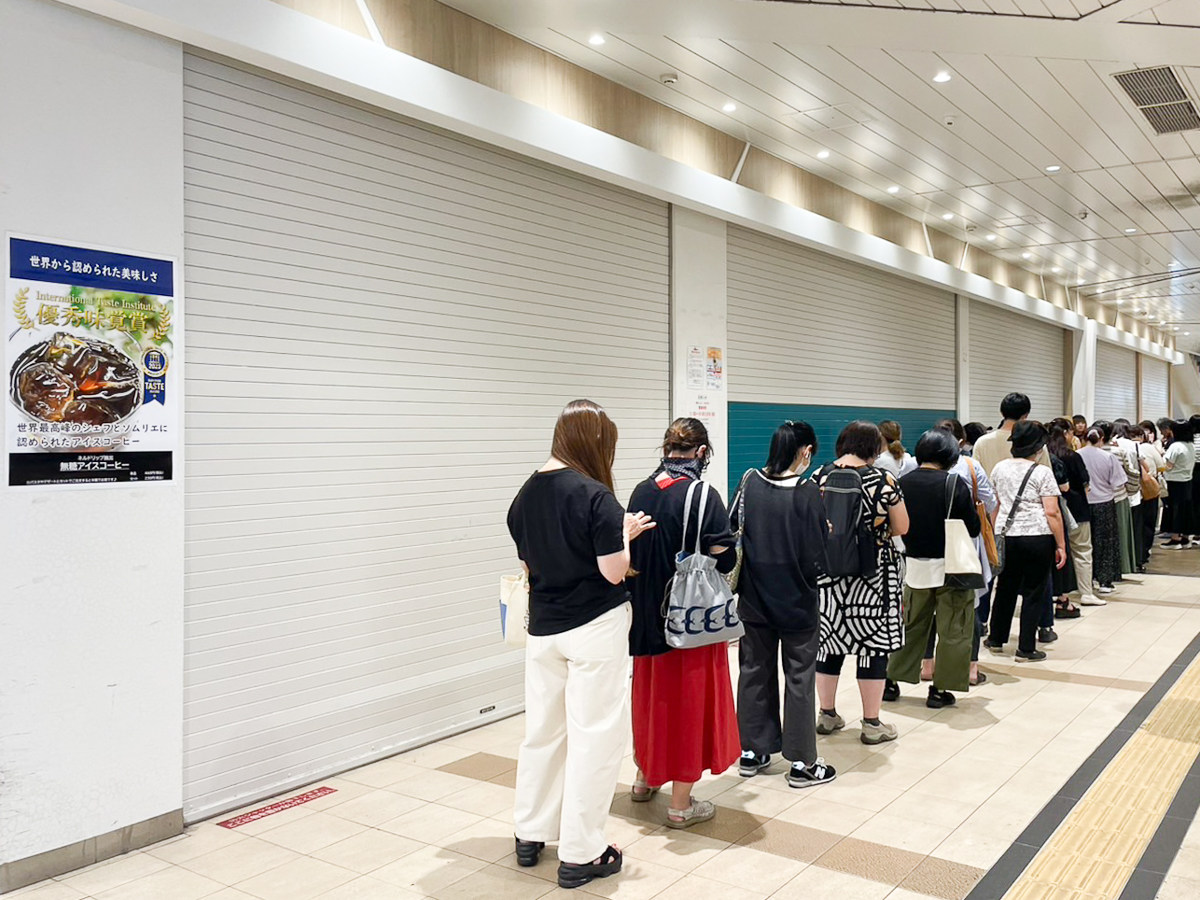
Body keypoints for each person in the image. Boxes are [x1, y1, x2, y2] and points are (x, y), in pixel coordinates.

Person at [506, 399, 654, 890]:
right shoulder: (596, 497)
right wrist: (625, 535)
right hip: (594, 629)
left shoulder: (525, 494)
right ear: (595, 443)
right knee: (595, 736)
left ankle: (530, 833)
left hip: (543, 631)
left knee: (543, 732)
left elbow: (529, 565)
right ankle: (581, 853)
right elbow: (613, 571)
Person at [626, 418, 739, 827]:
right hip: (689, 619)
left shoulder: (641, 490)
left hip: (645, 616)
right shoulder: (702, 494)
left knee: (651, 702)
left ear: (666, 448)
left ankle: (644, 778)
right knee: (688, 706)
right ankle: (680, 804)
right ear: (702, 452)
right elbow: (724, 557)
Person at [733, 421, 836, 788]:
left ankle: (753, 751)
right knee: (799, 678)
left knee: (753, 672)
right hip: (796, 601)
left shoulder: (749, 482)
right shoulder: (807, 492)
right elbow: (817, 553)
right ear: (805, 451)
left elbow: (733, 531)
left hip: (754, 600)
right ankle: (802, 762)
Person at [811, 422, 909, 745]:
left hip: (827, 574)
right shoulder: (884, 480)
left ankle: (827, 714)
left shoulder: (819, 476)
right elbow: (902, 526)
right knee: (872, 648)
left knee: (829, 642)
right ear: (874, 448)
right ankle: (871, 723)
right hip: (873, 575)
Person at [888, 430, 981, 707]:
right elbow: (973, 528)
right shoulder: (953, 483)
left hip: (914, 568)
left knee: (910, 626)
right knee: (954, 629)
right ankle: (940, 690)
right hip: (952, 569)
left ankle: (891, 682)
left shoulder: (901, 483)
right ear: (950, 455)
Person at [984, 421, 1066, 662]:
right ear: (1038, 448)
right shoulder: (1043, 472)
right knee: (1033, 592)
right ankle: (1026, 648)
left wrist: (995, 532)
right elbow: (1052, 512)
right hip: (1037, 537)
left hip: (1007, 535)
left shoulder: (999, 468)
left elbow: (995, 505)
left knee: (1005, 588)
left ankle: (996, 639)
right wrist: (1061, 544)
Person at [1047, 424, 1096, 612]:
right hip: (1077, 509)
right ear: (1066, 434)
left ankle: (1057, 592)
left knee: (1056, 553)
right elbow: (1085, 482)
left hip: (1051, 511)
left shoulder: (1044, 457)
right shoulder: (1072, 456)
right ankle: (1086, 593)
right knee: (1082, 551)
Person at [1077, 422, 1128, 594]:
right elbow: (1118, 482)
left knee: (1084, 543)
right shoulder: (1108, 457)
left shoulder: (1076, 455)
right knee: (1105, 542)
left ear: (1084, 438)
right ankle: (1105, 582)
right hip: (1104, 503)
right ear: (1102, 439)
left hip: (1082, 504)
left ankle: (1086, 580)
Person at [973, 393, 1052, 477]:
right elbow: (1047, 477)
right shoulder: (1036, 443)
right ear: (1026, 415)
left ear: (1001, 413)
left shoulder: (981, 442)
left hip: (991, 485)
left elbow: (974, 475)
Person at [1111, 420, 1143, 573]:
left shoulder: (1110, 448)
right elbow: (1138, 469)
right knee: (1132, 530)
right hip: (1131, 492)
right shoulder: (1134, 445)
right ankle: (1135, 561)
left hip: (1113, 494)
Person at [1162, 418, 1196, 549]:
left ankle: (1175, 539)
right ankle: (1185, 538)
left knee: (1174, 509)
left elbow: (1168, 466)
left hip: (1174, 481)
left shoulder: (1175, 446)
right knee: (1185, 509)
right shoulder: (1191, 445)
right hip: (1187, 480)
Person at [1137, 421, 1166, 567]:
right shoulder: (1148, 447)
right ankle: (1144, 552)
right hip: (1148, 488)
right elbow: (1161, 466)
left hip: (1130, 491)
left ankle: (1136, 553)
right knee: (1148, 522)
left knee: (1137, 523)